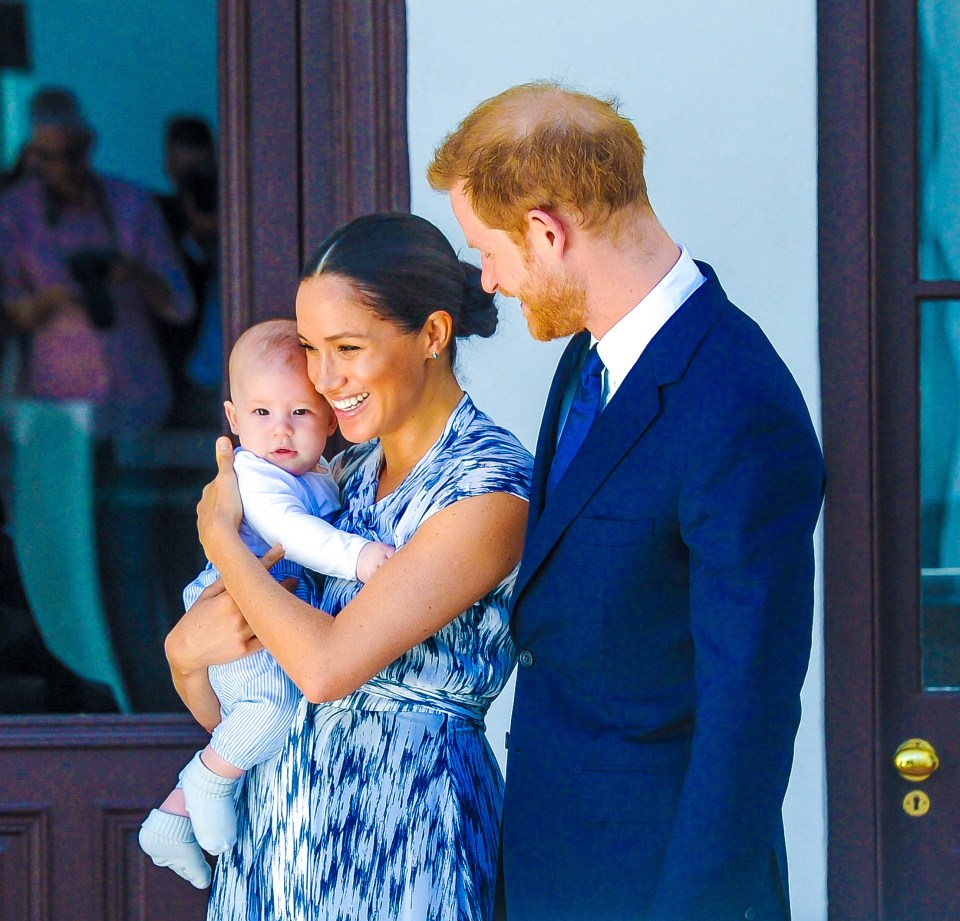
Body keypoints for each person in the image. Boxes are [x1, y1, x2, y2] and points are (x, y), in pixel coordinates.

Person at [427, 81, 827, 921]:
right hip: (551, 864)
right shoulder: (586, 364)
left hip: (657, 886)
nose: (489, 282)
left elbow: (747, 710)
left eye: (487, 250)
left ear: (547, 229)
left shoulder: (738, 401)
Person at [164, 212, 534, 920]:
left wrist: (220, 536)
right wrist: (184, 657)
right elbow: (249, 705)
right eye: (309, 347)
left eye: (347, 347)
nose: (322, 378)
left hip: (403, 843)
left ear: (432, 334)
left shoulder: (489, 486)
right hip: (276, 843)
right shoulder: (341, 472)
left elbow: (325, 668)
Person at [139, 318, 394, 889]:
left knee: (263, 708)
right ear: (232, 419)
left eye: (299, 413)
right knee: (271, 710)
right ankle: (206, 780)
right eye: (260, 414)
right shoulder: (255, 477)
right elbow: (293, 533)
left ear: (330, 417)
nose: (280, 431)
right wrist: (358, 557)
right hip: (235, 603)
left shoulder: (322, 471)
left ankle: (173, 817)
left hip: (264, 606)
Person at [0, 86, 195, 439]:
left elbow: (181, 305)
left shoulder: (133, 205)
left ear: (89, 144)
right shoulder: (14, 214)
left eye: (71, 155)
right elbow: (8, 313)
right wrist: (49, 300)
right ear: (32, 154)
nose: (61, 168)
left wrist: (133, 271)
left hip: (136, 401)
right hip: (54, 409)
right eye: (48, 157)